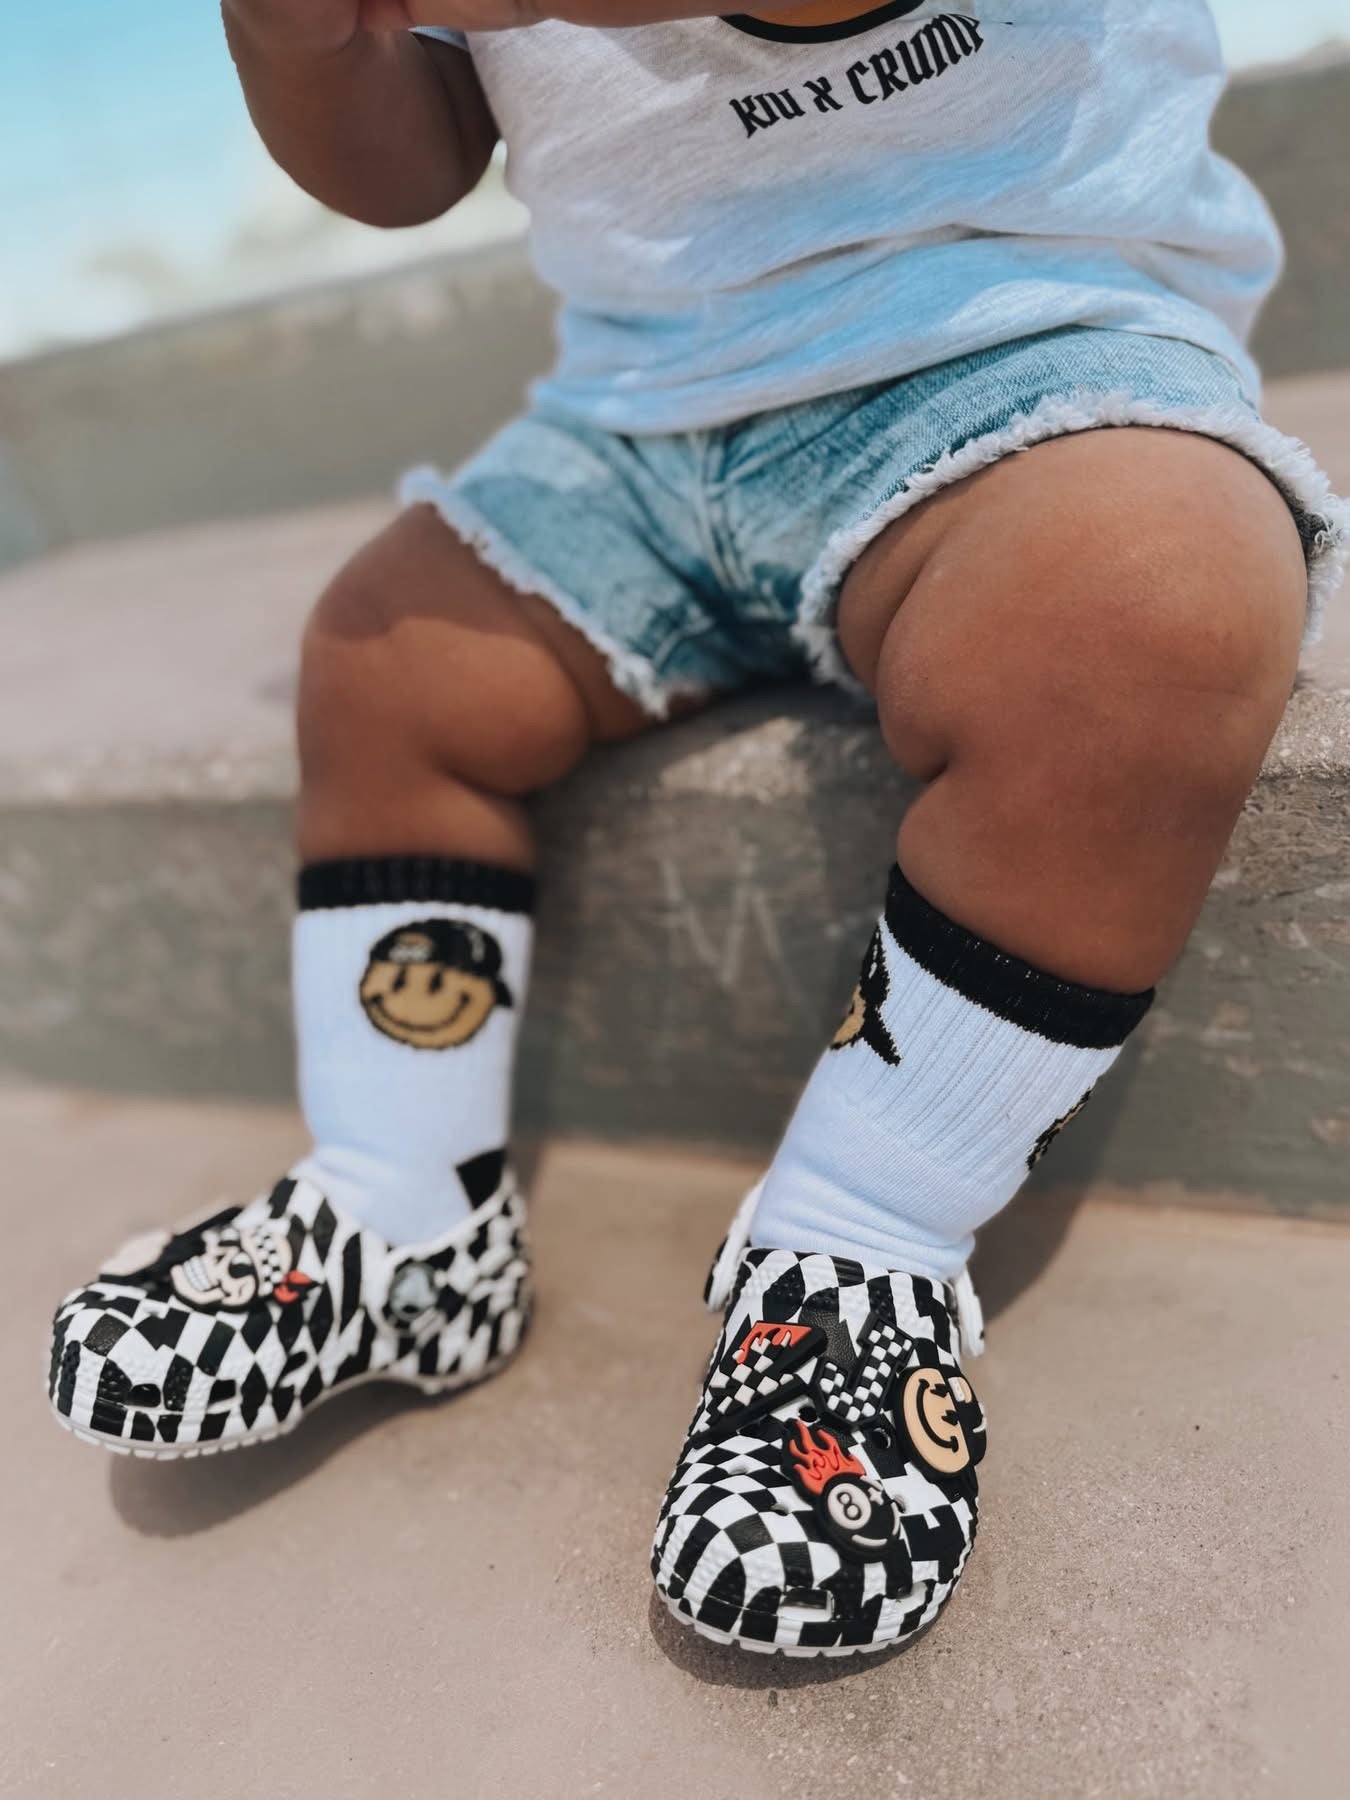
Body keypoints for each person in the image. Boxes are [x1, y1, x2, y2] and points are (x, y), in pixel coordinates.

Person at [46, 0, 1346, 1658]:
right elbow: (406, 169)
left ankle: (861, 1242)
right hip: (642, 415)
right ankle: (402, 1203)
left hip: (1028, 345)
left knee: (1147, 607)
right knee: (384, 660)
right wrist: (310, 44)